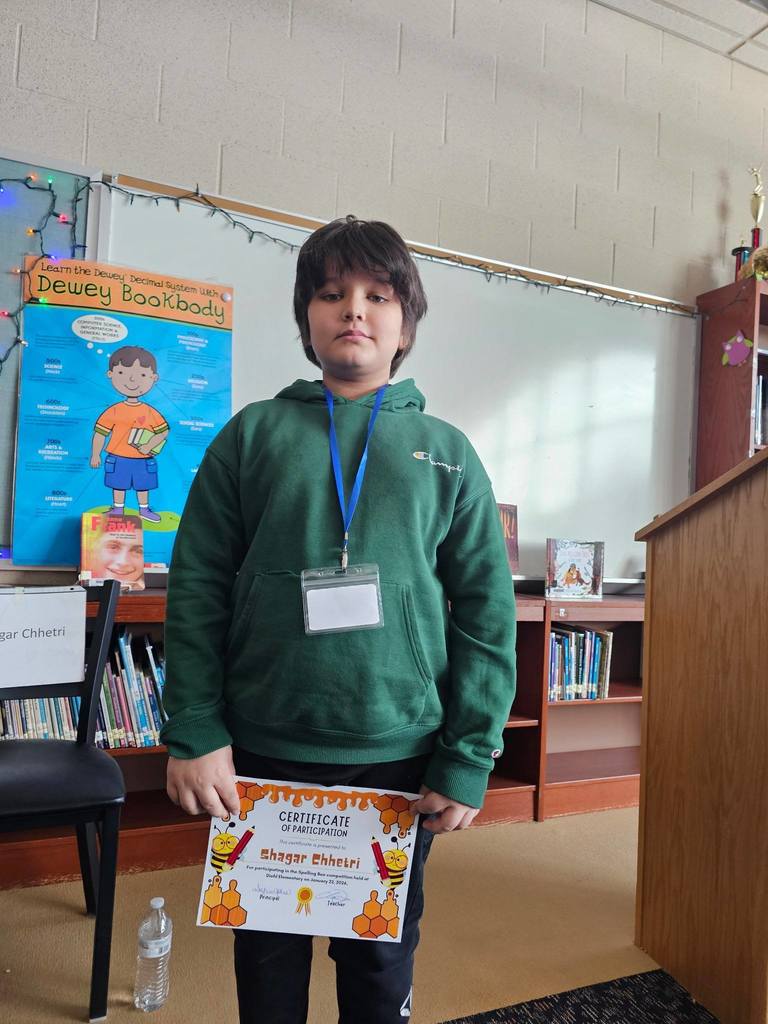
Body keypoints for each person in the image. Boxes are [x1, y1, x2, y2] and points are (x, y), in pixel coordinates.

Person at [160, 215, 517, 1024]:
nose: (354, 309)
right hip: (260, 750)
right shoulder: (251, 435)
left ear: (406, 324)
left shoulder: (447, 452)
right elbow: (198, 588)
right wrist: (196, 728)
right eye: (331, 293)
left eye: (378, 295)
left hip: (398, 757)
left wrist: (468, 754)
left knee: (379, 962)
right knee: (269, 961)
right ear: (306, 319)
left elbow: (487, 615)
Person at [89, 345, 169, 522]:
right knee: (118, 484)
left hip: (143, 458)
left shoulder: (149, 412)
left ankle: (144, 509)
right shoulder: (114, 411)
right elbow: (100, 433)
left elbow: (163, 432)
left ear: (153, 378)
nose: (132, 380)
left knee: (143, 485)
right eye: (122, 373)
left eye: (142, 375)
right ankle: (118, 509)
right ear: (110, 374)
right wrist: (95, 454)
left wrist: (148, 446)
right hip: (118, 457)